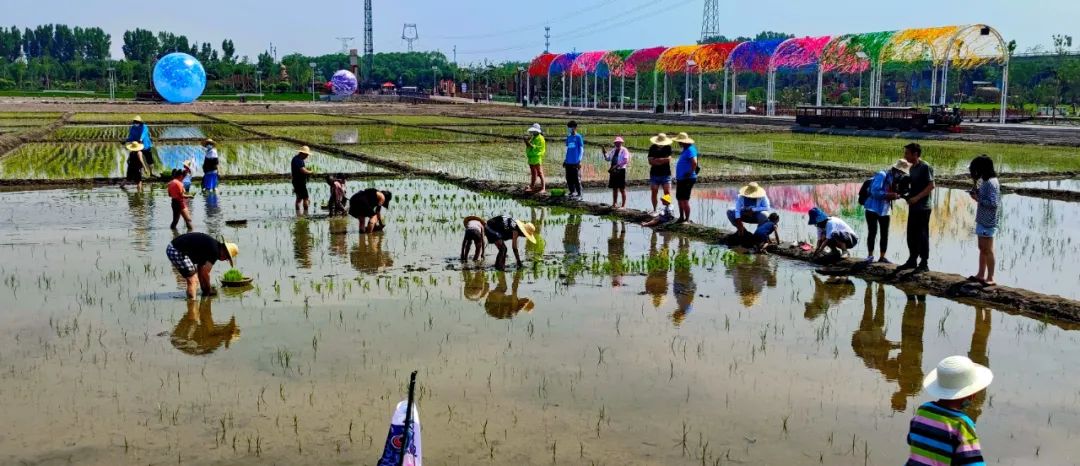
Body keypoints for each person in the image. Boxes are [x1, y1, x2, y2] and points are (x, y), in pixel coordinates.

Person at [906, 355, 993, 465]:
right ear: (971, 395)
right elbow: (972, 463)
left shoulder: (923, 411)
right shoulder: (962, 424)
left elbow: (911, 439)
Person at [864, 159, 911, 263]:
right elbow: (874, 191)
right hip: (872, 208)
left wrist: (898, 195)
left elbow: (896, 192)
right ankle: (870, 256)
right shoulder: (882, 175)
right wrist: (888, 195)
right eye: (901, 172)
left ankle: (882, 257)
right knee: (872, 232)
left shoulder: (895, 179)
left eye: (903, 173)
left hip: (885, 209)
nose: (902, 174)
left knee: (884, 233)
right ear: (895, 169)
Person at [897, 143, 935, 273]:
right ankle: (912, 259)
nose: (905, 155)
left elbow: (931, 186)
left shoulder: (925, 167)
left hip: (923, 207)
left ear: (915, 154)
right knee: (911, 234)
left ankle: (924, 262)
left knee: (922, 235)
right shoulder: (912, 168)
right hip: (913, 206)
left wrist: (916, 198)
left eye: (907, 153)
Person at [166, 232, 239, 299]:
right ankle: (192, 306)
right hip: (176, 250)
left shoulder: (211, 248)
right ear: (225, 251)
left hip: (173, 247)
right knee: (193, 280)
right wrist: (208, 289)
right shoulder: (215, 251)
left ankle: (192, 302)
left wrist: (204, 290)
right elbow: (205, 273)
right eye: (227, 258)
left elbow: (201, 269)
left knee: (194, 279)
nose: (224, 260)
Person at [968, 155, 1000, 286]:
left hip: (988, 221)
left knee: (988, 249)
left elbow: (994, 203)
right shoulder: (985, 181)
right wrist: (977, 194)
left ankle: (990, 277)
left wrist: (978, 199)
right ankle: (981, 274)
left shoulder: (992, 182)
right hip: (982, 219)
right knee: (982, 248)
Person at [672, 132, 698, 223]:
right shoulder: (685, 150)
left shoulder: (691, 149)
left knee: (684, 199)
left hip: (687, 179)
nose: (679, 143)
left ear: (684, 142)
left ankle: (687, 219)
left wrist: (690, 172)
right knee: (679, 198)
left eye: (680, 141)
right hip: (681, 178)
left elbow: (694, 163)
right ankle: (681, 217)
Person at [647, 133, 675, 214]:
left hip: (666, 174)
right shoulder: (652, 147)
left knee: (667, 192)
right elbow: (650, 161)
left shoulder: (668, 147)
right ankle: (655, 209)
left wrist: (657, 160)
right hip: (654, 174)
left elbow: (668, 160)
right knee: (654, 192)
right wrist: (662, 160)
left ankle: (668, 210)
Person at [601, 136, 631, 208]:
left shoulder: (624, 150)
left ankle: (623, 205)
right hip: (613, 171)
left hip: (620, 170)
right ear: (615, 143)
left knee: (622, 188)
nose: (617, 144)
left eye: (619, 143)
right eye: (616, 143)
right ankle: (614, 203)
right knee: (614, 188)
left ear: (621, 143)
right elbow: (608, 159)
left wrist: (617, 165)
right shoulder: (613, 150)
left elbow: (625, 161)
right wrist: (604, 153)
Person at [563, 121, 584, 199]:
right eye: (568, 127)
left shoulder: (578, 137)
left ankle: (579, 194)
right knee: (568, 178)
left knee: (576, 179)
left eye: (570, 127)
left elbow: (581, 150)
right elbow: (567, 149)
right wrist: (565, 160)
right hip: (568, 162)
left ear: (574, 127)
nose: (569, 129)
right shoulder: (568, 137)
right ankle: (572, 192)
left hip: (575, 162)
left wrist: (579, 160)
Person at [523, 123, 546, 193]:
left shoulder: (540, 138)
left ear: (538, 131)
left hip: (536, 157)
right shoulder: (533, 137)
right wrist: (526, 141)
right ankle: (532, 186)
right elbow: (529, 146)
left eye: (534, 131)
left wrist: (527, 141)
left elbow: (534, 147)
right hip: (531, 157)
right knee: (533, 173)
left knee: (540, 173)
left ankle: (543, 188)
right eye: (533, 131)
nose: (533, 132)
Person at [291, 146, 314, 213]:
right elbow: (303, 170)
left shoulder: (296, 159)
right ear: (302, 153)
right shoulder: (298, 160)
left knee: (299, 198)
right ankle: (306, 214)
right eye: (306, 155)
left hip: (296, 181)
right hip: (299, 182)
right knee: (305, 198)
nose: (307, 156)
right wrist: (310, 172)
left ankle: (298, 214)